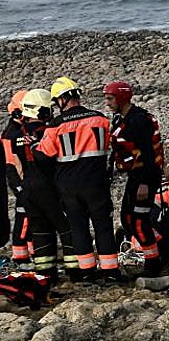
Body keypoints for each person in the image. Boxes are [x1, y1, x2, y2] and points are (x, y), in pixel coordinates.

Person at [36, 77, 123, 281]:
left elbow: (43, 155)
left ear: (63, 99)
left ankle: (87, 273)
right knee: (103, 227)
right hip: (97, 183)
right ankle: (111, 271)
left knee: (78, 228)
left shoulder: (56, 125)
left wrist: (33, 146)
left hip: (69, 186)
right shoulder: (101, 119)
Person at [11, 90, 74, 284]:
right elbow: (53, 158)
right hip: (48, 185)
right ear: (42, 111)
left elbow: (17, 162)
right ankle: (76, 271)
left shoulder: (16, 134)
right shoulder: (47, 132)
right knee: (67, 228)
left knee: (40, 231)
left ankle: (46, 274)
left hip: (28, 188)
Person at [105, 81, 165, 276]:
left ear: (121, 98)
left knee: (139, 222)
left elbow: (148, 154)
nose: (107, 102)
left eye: (110, 98)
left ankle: (153, 263)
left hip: (145, 177)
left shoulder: (138, 121)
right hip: (135, 175)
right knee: (127, 218)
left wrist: (145, 184)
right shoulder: (121, 119)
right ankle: (158, 245)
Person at [3, 92, 30, 266]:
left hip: (30, 181)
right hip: (21, 183)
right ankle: (19, 255)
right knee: (23, 217)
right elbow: (10, 164)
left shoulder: (23, 129)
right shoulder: (10, 134)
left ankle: (29, 252)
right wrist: (19, 187)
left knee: (33, 218)